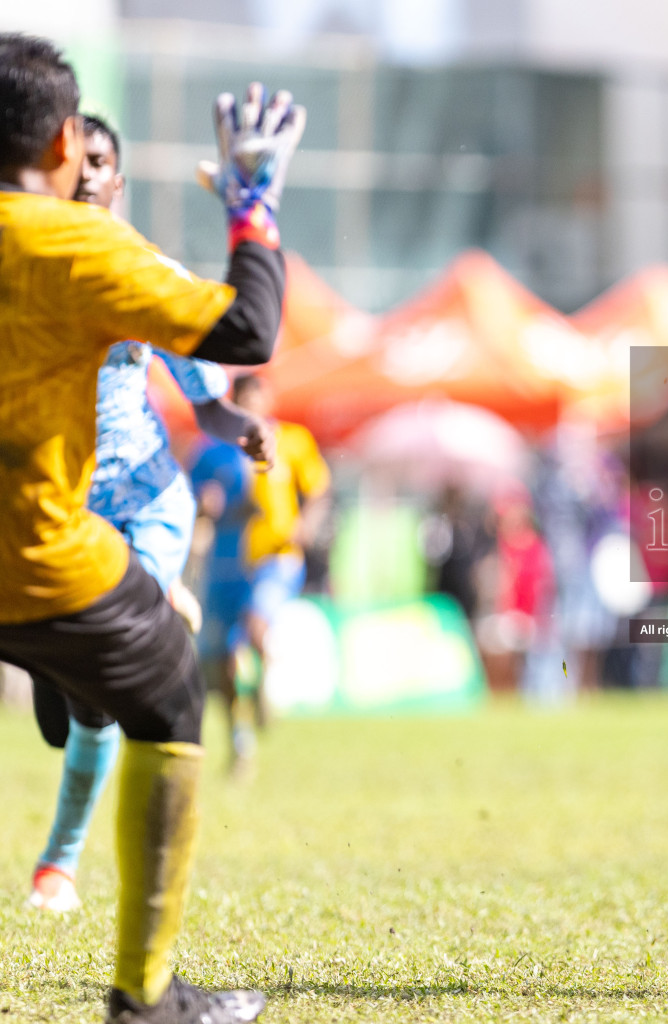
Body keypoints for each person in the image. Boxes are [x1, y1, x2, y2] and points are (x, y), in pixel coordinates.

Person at [0, 33, 302, 1023]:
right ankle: (148, 998)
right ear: (57, 142)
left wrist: (225, 419)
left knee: (109, 675)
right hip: (41, 548)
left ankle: (65, 720)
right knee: (170, 687)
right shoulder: (83, 247)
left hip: (121, 507)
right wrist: (252, 204)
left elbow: (206, 387)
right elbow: (246, 331)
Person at [24, 115, 275, 916]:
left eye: (106, 163)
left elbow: (209, 397)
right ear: (53, 170)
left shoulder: (137, 270)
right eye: (80, 162)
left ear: (118, 181)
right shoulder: (27, 266)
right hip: (60, 519)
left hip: (150, 505)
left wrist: (245, 430)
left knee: (108, 705)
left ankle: (56, 870)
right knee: (71, 721)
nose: (91, 175)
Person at [193, 373, 330, 776]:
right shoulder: (210, 451)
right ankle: (241, 741)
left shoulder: (292, 440)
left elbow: (320, 488)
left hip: (276, 554)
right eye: (244, 400)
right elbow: (192, 496)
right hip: (226, 562)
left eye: (258, 398)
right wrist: (207, 505)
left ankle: (269, 683)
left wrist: (307, 522)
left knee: (256, 627)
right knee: (225, 663)